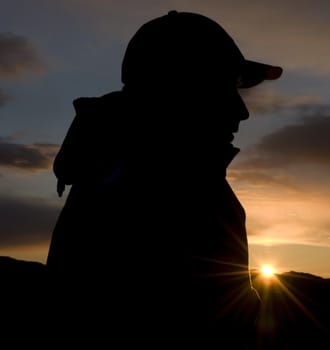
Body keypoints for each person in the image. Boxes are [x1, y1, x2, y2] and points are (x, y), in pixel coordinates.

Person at [45, 10, 282, 349]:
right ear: (178, 88)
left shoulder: (143, 174)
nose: (242, 111)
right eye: (222, 87)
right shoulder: (164, 191)